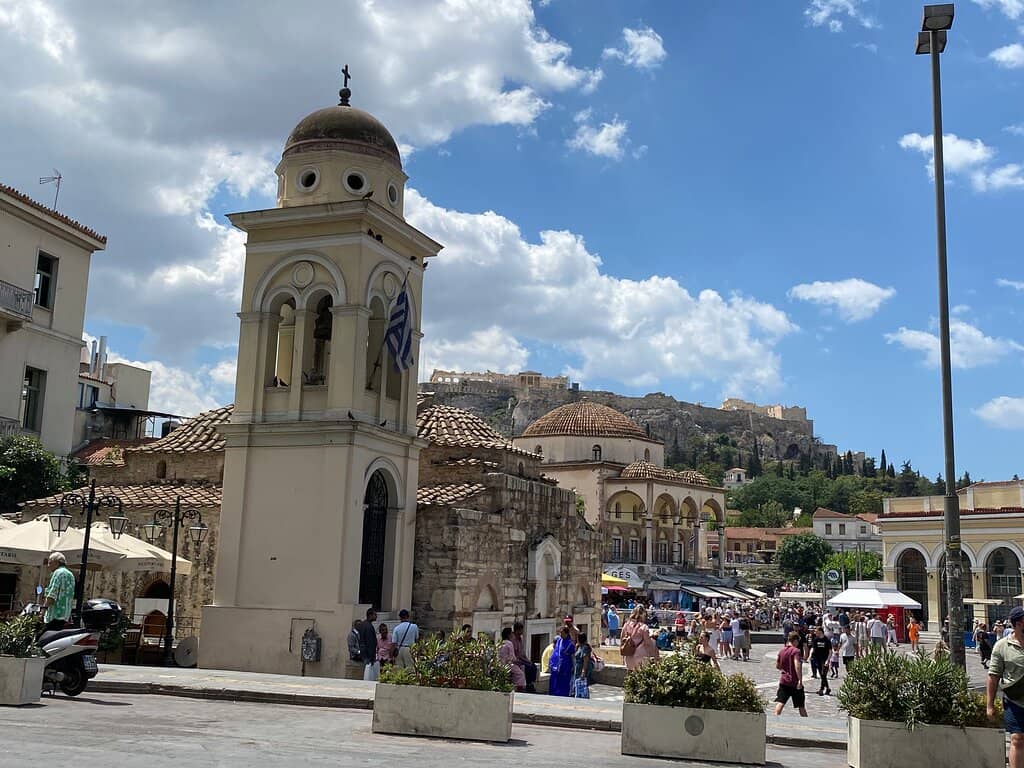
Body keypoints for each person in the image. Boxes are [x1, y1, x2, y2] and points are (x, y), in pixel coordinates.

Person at [987, 606, 1024, 768]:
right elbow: (993, 677)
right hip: (1015, 701)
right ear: (1018, 624)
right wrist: (990, 705)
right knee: (1017, 738)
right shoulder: (1002, 646)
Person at [774, 631, 808, 717]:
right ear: (795, 640)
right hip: (794, 682)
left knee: (781, 702)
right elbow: (797, 666)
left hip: (784, 681)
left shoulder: (782, 651)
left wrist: (786, 669)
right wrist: (800, 680)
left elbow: (778, 666)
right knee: (801, 706)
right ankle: (807, 723)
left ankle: (774, 719)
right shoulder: (796, 651)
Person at [42, 552, 75, 632]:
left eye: (50, 563)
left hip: (55, 615)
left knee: (40, 639)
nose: (48, 565)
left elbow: (52, 595)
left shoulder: (57, 573)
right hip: (65, 616)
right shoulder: (71, 575)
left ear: (57, 562)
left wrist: (43, 610)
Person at [620, 606, 659, 671]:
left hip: (628, 655)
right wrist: (654, 655)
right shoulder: (643, 627)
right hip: (640, 656)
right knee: (640, 678)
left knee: (630, 677)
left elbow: (622, 640)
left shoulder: (626, 625)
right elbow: (648, 644)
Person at [548, 625, 575, 697]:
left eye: (562, 633)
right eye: (560, 633)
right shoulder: (559, 640)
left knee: (563, 684)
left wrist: (573, 667)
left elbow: (572, 656)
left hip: (565, 667)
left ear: (566, 634)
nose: (561, 635)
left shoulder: (570, 644)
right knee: (554, 683)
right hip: (556, 666)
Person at [512, 621, 537, 692]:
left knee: (533, 666)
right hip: (516, 660)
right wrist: (526, 661)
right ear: (517, 630)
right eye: (521, 630)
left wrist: (528, 660)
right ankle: (527, 685)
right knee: (527, 667)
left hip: (521, 659)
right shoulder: (513, 640)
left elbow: (522, 653)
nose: (522, 632)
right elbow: (518, 655)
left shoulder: (520, 639)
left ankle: (530, 683)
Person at [499, 627, 527, 692]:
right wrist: (520, 662)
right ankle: (520, 689)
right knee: (521, 674)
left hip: (501, 663)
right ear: (509, 635)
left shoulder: (501, 642)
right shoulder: (509, 643)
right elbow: (512, 658)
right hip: (508, 664)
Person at [357, 608, 380, 681]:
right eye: (375, 615)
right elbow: (370, 643)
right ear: (370, 615)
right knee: (368, 674)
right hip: (368, 654)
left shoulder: (363, 624)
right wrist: (371, 656)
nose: (376, 616)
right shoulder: (369, 627)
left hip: (363, 651)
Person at [810, 627, 832, 696]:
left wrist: (828, 660)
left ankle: (822, 689)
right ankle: (827, 688)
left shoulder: (827, 640)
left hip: (824, 659)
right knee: (822, 675)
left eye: (816, 631)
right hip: (817, 659)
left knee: (823, 674)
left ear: (820, 631)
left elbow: (830, 651)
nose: (815, 632)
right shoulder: (816, 639)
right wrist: (810, 656)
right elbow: (813, 648)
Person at [572, 632, 593, 698]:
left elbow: (585, 660)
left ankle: (584, 697)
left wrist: (583, 672)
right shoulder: (579, 647)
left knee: (583, 685)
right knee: (578, 685)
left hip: (582, 669)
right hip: (577, 668)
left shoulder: (585, 648)